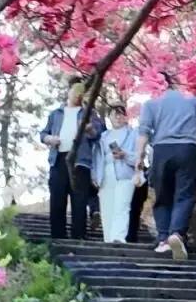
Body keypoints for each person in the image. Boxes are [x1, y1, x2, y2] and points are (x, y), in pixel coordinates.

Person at [136, 75, 196, 260]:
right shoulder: (190, 99)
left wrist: (139, 157)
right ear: (174, 82)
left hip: (162, 150)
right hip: (187, 149)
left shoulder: (151, 103)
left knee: (163, 196)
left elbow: (144, 132)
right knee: (184, 195)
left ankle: (163, 240)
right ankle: (176, 234)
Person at [40, 76, 104, 241]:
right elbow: (43, 134)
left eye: (81, 92)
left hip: (80, 161)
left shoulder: (89, 113)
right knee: (57, 200)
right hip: (59, 159)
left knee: (79, 201)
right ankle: (58, 238)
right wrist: (49, 139)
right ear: (68, 91)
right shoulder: (56, 114)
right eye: (75, 91)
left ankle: (79, 237)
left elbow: (98, 133)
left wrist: (89, 129)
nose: (78, 95)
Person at [92, 101, 141, 244]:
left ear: (126, 117)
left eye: (121, 114)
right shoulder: (103, 136)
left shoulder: (133, 134)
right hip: (106, 173)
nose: (118, 117)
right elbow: (97, 157)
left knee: (122, 206)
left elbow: (139, 157)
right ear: (109, 117)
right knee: (107, 208)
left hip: (125, 173)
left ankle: (118, 238)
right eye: (115, 114)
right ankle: (108, 239)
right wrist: (94, 174)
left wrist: (124, 154)